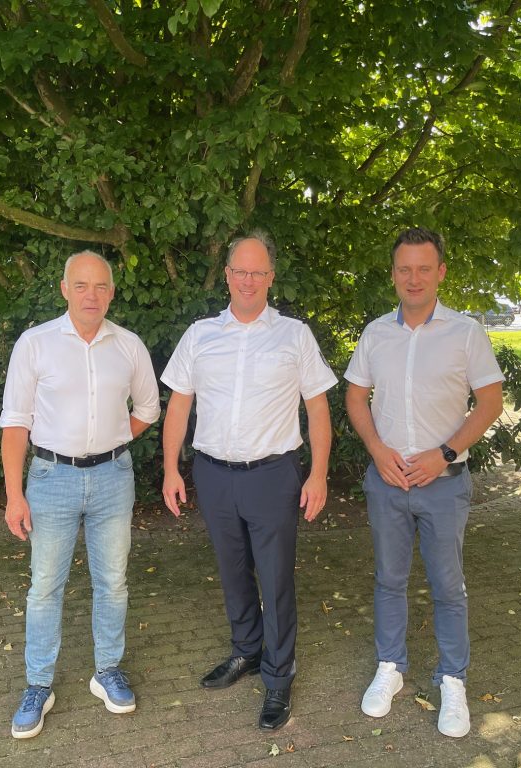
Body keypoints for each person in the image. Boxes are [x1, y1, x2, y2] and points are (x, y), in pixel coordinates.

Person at [160, 231, 336, 731]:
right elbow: (179, 406)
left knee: (275, 579)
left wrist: (318, 474)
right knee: (232, 569)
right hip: (214, 474)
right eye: (241, 270)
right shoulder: (200, 335)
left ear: (271, 278)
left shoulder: (294, 336)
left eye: (258, 272)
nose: (249, 280)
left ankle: (278, 677)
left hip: (272, 476)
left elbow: (318, 408)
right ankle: (247, 651)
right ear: (227, 275)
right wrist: (171, 468)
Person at [344, 227, 504, 738]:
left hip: (444, 483)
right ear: (393, 274)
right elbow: (355, 397)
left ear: (441, 272)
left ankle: (453, 680)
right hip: (387, 482)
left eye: (424, 268)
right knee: (388, 580)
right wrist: (377, 450)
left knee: (448, 586)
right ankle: (390, 667)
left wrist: (445, 453)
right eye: (404, 269)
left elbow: (491, 402)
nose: (413, 278)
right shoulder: (375, 333)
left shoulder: (466, 333)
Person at [0, 250, 161, 739]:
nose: (92, 295)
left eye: (101, 286)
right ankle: (38, 685)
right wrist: (14, 495)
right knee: (45, 587)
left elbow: (148, 408)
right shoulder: (36, 344)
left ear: (112, 292)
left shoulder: (128, 346)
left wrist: (111, 439)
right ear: (65, 289)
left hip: (113, 478)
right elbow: (16, 422)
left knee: (113, 582)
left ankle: (106, 671)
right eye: (82, 285)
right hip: (52, 478)